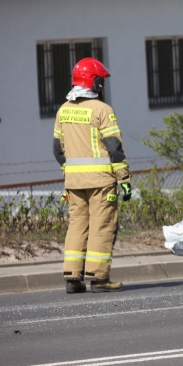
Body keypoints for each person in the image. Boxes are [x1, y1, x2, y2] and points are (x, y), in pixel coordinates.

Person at [53, 58, 131, 294]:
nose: (103, 86)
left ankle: (73, 279)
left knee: (77, 226)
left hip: (74, 183)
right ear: (93, 82)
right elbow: (114, 148)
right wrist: (124, 179)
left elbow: (58, 150)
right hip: (101, 182)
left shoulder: (63, 110)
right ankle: (99, 279)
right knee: (102, 226)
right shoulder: (102, 110)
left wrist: (70, 172)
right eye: (101, 81)